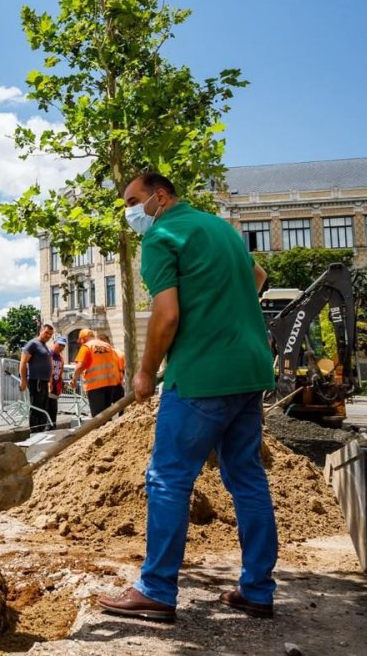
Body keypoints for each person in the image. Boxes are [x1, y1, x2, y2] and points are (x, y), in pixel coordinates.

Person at [99, 172, 277, 623]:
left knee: (167, 479)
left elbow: (167, 314)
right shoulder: (220, 228)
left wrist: (143, 372)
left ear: (160, 197)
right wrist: (219, 310)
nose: (130, 212)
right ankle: (258, 590)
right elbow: (259, 276)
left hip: (201, 375)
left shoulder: (161, 236)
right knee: (247, 478)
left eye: (134, 200)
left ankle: (156, 590)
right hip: (249, 371)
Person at [71, 329, 126, 418]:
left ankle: (100, 430)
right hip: (110, 384)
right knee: (106, 414)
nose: (80, 342)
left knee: (98, 417)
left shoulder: (87, 347)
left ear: (83, 338)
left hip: (95, 385)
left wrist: (74, 379)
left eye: (80, 339)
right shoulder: (107, 346)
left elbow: (80, 366)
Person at [19, 323, 54, 433]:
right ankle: (34, 432)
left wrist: (50, 381)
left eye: (50, 334)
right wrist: (23, 380)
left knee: (43, 407)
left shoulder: (44, 346)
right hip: (36, 380)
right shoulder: (33, 344)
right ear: (41, 331)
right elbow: (23, 363)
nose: (48, 336)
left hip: (43, 381)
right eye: (46, 333)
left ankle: (41, 430)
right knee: (36, 407)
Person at [48, 336, 66, 430]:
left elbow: (61, 372)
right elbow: (47, 369)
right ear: (54, 343)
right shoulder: (49, 354)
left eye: (63, 345)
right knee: (46, 407)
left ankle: (52, 427)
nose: (61, 347)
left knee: (53, 408)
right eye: (59, 344)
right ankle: (46, 427)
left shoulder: (61, 358)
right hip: (48, 385)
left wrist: (61, 383)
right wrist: (49, 382)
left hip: (55, 386)